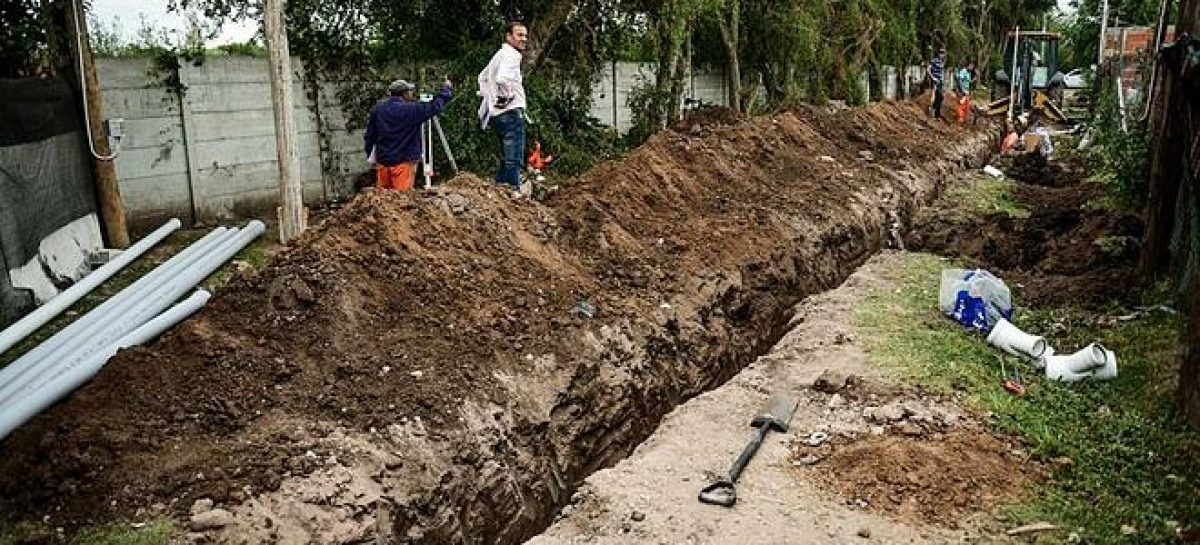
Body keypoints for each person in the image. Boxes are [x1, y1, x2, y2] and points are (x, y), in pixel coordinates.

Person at [364, 77, 453, 191]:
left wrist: (370, 155)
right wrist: (446, 89)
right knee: (402, 201)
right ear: (404, 93)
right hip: (403, 164)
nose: (412, 93)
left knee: (384, 201)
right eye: (410, 91)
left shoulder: (378, 109)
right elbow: (434, 106)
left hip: (383, 163)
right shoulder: (412, 109)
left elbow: (370, 135)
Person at [478, 21, 529, 198]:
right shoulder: (512, 55)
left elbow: (482, 78)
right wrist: (506, 97)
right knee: (514, 158)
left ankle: (497, 191)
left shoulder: (499, 55)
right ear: (509, 37)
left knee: (506, 158)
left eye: (525, 35)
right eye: (519, 35)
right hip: (511, 113)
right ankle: (514, 193)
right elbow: (502, 79)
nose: (524, 39)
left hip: (497, 115)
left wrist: (491, 99)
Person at [927, 47, 947, 119]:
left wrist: (943, 81)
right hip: (934, 80)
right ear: (938, 54)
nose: (942, 55)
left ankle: (937, 113)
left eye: (943, 53)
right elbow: (928, 70)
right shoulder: (934, 61)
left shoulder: (942, 62)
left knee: (941, 97)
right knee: (934, 96)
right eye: (941, 53)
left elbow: (942, 72)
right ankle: (932, 111)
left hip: (940, 81)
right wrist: (932, 77)